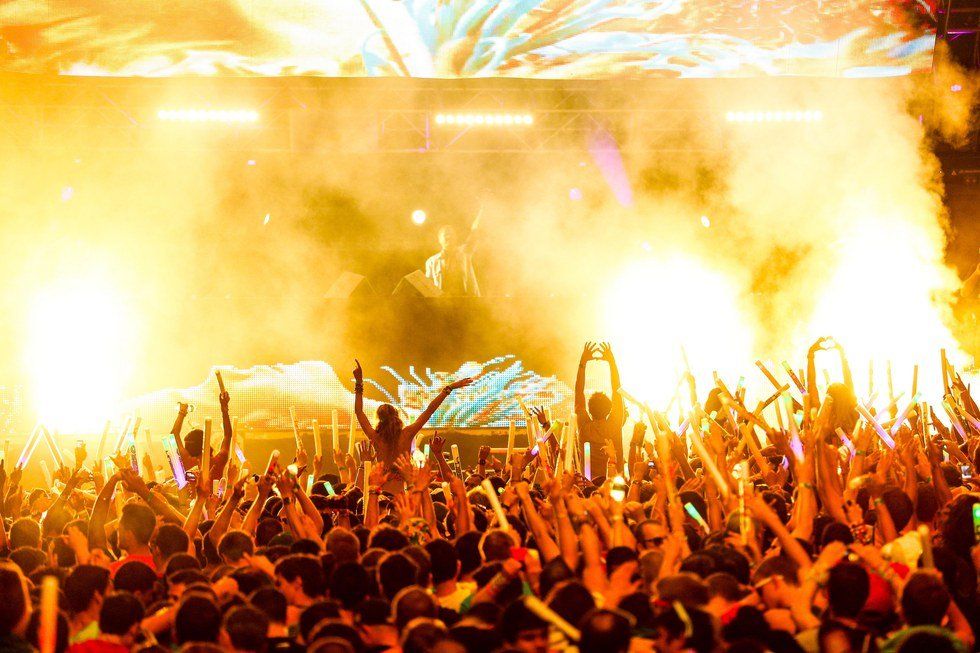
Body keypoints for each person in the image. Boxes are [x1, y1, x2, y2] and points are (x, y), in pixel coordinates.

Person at [353, 359, 472, 479]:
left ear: (379, 419)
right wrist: (449, 388)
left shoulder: (376, 438)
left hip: (380, 490)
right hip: (404, 490)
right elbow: (429, 410)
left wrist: (359, 382)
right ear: (396, 416)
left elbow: (359, 412)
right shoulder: (407, 434)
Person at [574, 341, 625, 478]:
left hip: (588, 486)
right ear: (609, 409)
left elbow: (578, 392)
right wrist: (611, 362)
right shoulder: (614, 425)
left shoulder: (584, 428)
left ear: (589, 410)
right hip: (614, 486)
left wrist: (583, 362)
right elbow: (617, 390)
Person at [423, 209, 482, 297]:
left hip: (466, 301)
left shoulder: (464, 252)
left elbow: (474, 233)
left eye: (451, 234)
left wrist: (482, 210)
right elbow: (428, 286)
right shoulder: (431, 261)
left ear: (456, 238)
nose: (449, 236)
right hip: (442, 303)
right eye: (445, 234)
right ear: (439, 240)